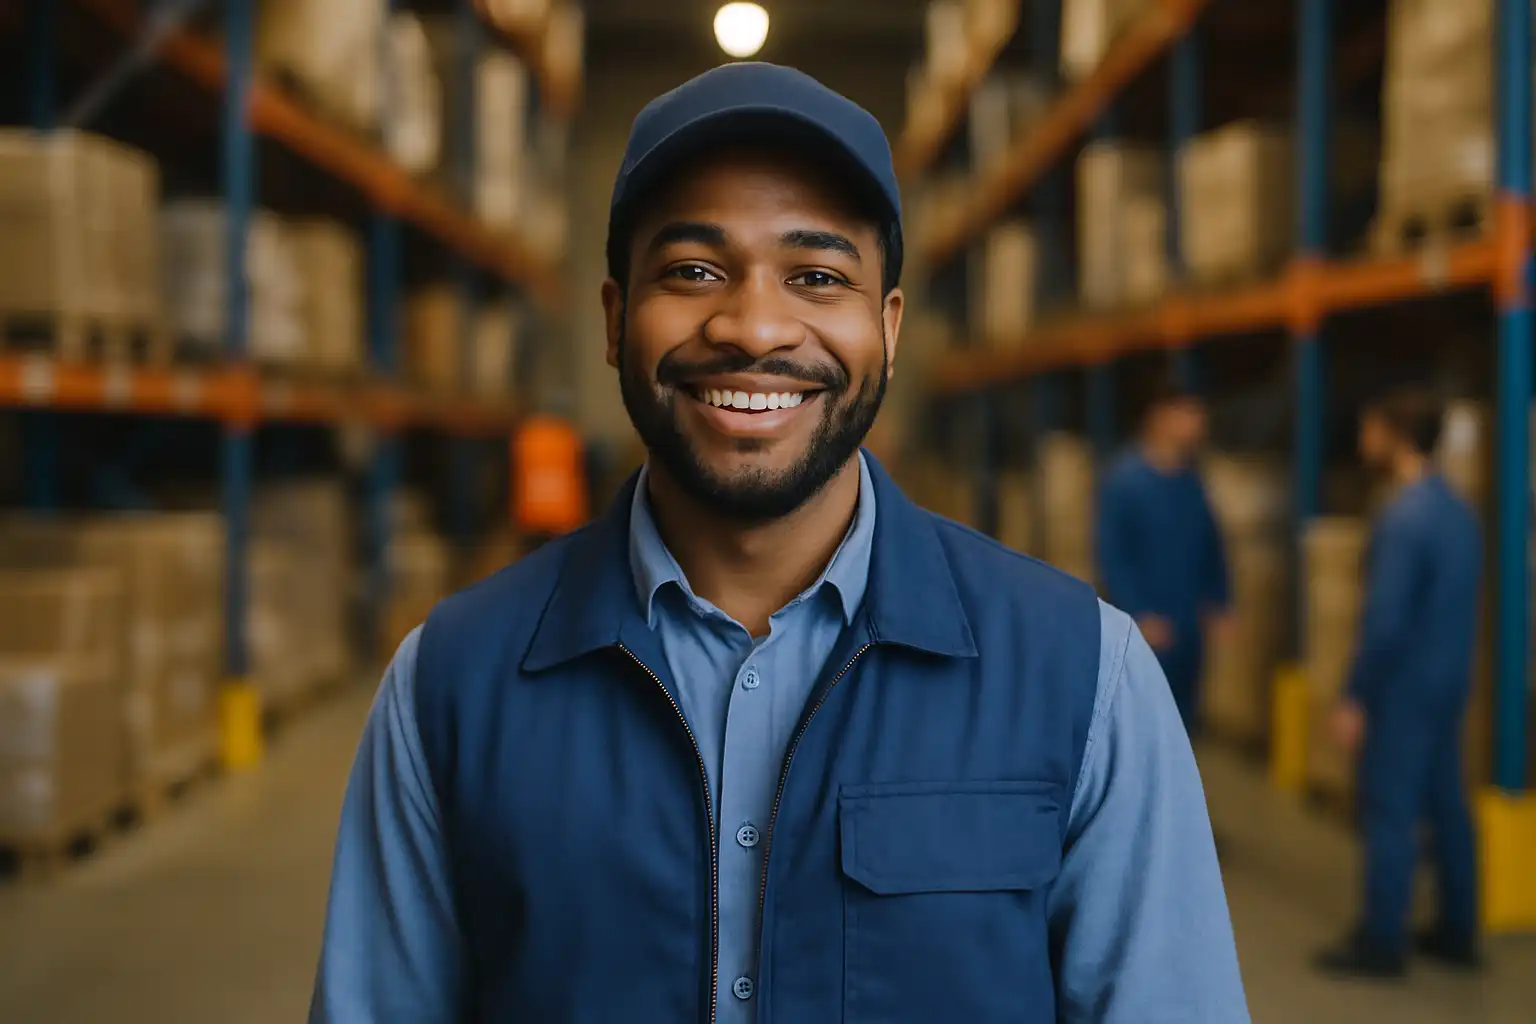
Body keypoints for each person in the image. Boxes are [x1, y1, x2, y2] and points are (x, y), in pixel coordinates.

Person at [309, 63, 1247, 1023]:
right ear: (615, 320)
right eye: (693, 271)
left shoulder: (1083, 679)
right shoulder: (450, 686)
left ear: (888, 330)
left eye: (817, 278)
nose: (754, 327)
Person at [1314, 390, 1483, 979]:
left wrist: (1356, 694)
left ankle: (1382, 942)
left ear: (1394, 436)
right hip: (1448, 678)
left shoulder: (1403, 518)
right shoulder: (1459, 512)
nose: (1364, 443)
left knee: (1389, 807)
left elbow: (1385, 621)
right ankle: (1458, 931)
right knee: (1447, 802)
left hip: (1403, 686)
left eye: (1370, 431)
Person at [1095, 377, 1232, 738]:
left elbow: (1211, 542)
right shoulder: (1125, 482)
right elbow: (1113, 555)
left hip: (1188, 624)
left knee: (1183, 725)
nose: (1197, 423)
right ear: (1159, 417)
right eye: (1187, 413)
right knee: (1141, 727)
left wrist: (1219, 600)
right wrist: (1138, 613)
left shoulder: (1191, 481)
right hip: (1145, 628)